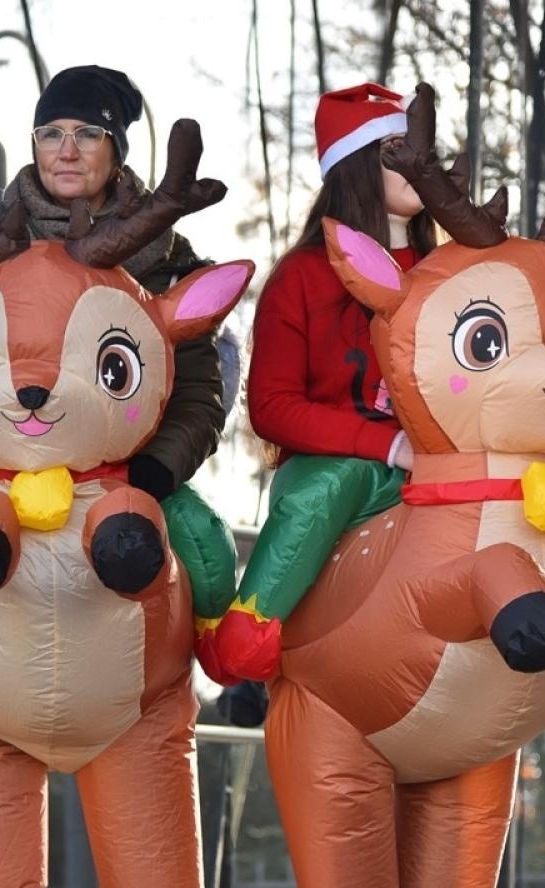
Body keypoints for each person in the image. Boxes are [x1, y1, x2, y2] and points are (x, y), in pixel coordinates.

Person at [0, 64, 227, 499]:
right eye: (50, 133)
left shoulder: (165, 259)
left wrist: (156, 468)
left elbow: (198, 387)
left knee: (203, 550)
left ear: (115, 149)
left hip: (120, 481)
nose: (66, 151)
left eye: (88, 133)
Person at [201, 83, 438, 683]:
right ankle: (251, 624)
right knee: (330, 484)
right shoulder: (302, 276)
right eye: (394, 150)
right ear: (356, 165)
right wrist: (385, 446)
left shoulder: (451, 273)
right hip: (341, 465)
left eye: (419, 149)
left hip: (440, 466)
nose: (416, 162)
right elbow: (273, 409)